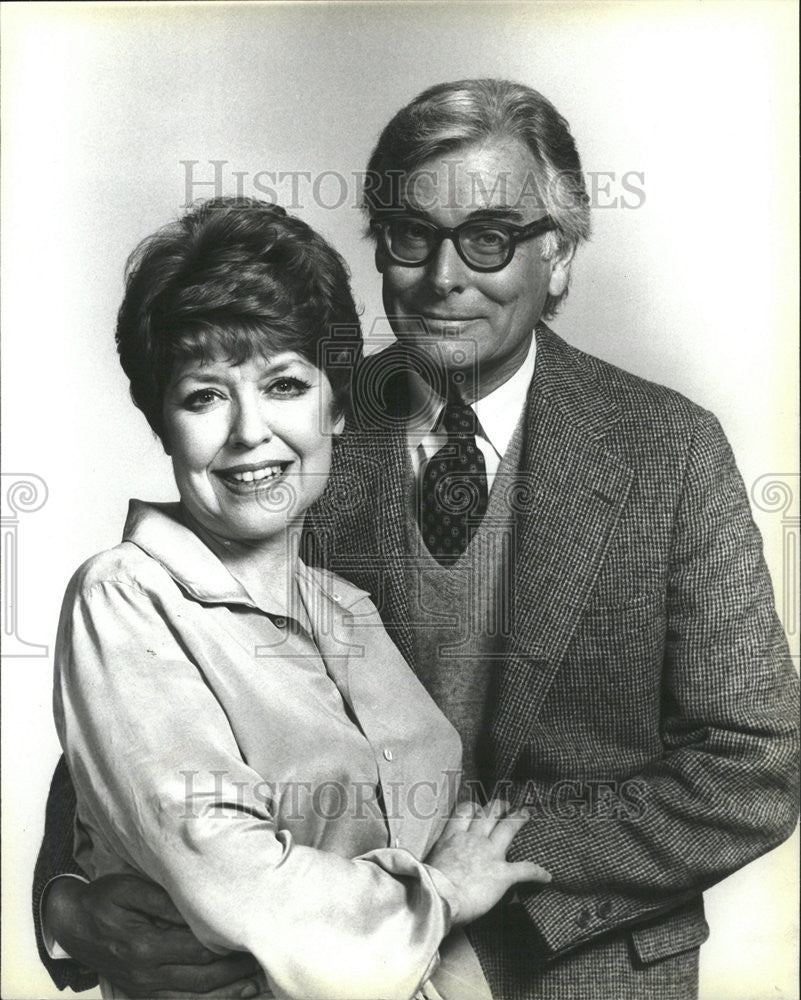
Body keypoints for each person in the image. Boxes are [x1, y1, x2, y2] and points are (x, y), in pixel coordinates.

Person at [34, 80, 799, 1000]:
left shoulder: (665, 449)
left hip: (593, 966)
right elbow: (153, 704)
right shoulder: (299, 419)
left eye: (489, 237)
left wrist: (488, 867)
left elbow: (754, 764)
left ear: (555, 257)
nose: (445, 276)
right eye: (411, 236)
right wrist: (70, 901)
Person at [40, 195, 551, 1000]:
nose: (249, 432)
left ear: (337, 406)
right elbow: (245, 889)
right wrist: (442, 891)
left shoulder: (351, 611)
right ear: (162, 423)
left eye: (283, 384)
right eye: (204, 395)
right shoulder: (124, 599)